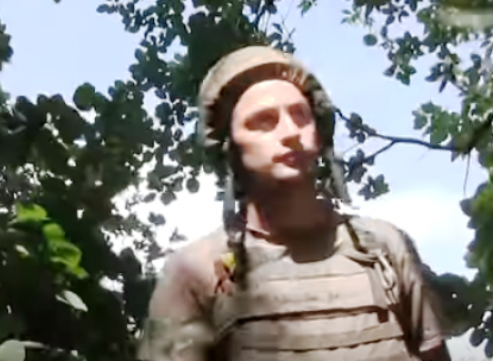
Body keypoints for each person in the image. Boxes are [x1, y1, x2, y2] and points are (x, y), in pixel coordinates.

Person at [138, 46, 451, 361]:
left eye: (301, 116)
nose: (290, 133)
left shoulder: (383, 246)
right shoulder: (196, 271)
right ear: (229, 146)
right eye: (264, 121)